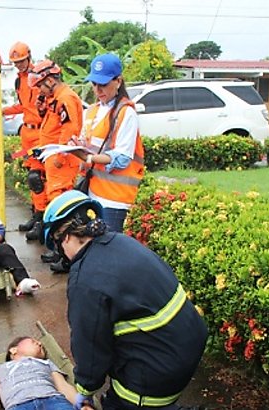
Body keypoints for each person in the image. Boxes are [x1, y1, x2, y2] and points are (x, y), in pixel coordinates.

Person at [42, 190, 208, 410]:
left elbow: (89, 342)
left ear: (67, 236)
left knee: (122, 403)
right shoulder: (121, 242)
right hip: (187, 342)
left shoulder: (86, 278)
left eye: (59, 246)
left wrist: (85, 389)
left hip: (161, 367)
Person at [72, 53, 145, 235]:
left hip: (115, 199)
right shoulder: (91, 111)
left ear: (118, 81)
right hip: (92, 192)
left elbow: (122, 158)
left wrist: (88, 156)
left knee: (108, 248)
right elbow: (89, 143)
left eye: (103, 84)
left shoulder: (125, 113)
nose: (98, 90)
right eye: (94, 84)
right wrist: (77, 145)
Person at [27, 59, 84, 271]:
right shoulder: (55, 99)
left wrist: (58, 159)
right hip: (54, 162)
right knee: (57, 208)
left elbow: (69, 131)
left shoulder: (66, 98)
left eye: (41, 85)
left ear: (50, 80)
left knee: (64, 213)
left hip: (62, 164)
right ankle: (61, 251)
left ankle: (68, 258)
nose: (40, 89)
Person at [2, 42, 46, 240]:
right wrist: (2, 110)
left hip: (41, 133)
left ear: (29, 58)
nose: (19, 65)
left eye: (21, 61)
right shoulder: (19, 81)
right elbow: (24, 106)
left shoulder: (40, 78)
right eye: (15, 62)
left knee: (38, 179)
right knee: (32, 176)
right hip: (27, 133)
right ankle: (36, 215)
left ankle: (42, 221)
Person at [0, 336, 91, 410]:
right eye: (33, 341)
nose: (39, 343)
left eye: (42, 347)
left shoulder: (47, 363)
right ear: (13, 350)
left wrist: (83, 404)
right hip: (19, 405)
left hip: (53, 400)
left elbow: (63, 386)